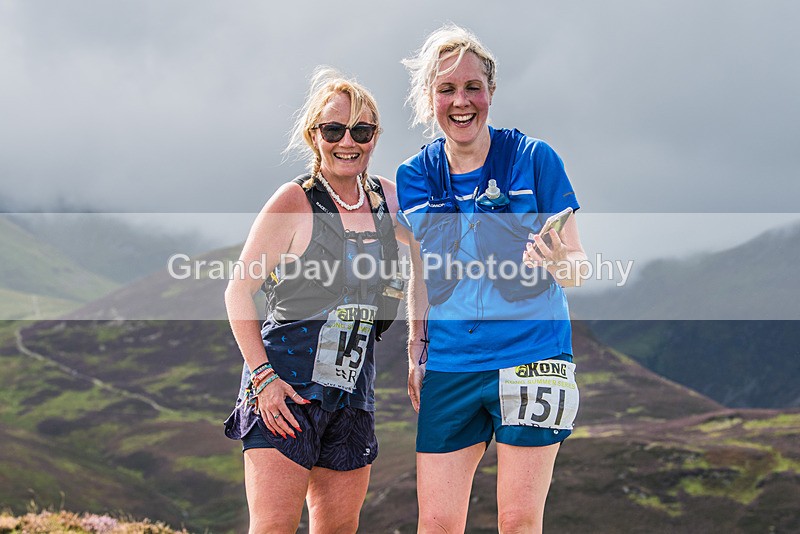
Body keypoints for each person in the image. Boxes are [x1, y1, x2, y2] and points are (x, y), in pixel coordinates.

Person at [397, 24, 588, 533]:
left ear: (491, 92)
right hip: (452, 364)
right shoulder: (414, 175)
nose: (461, 101)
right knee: (436, 524)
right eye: (446, 89)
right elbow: (422, 267)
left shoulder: (535, 159)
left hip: (533, 357)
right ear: (429, 98)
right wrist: (417, 346)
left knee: (519, 521)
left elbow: (577, 267)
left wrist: (557, 262)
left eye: (472, 87)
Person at [223, 68, 406, 534]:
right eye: (334, 129)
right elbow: (237, 291)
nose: (348, 141)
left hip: (353, 394)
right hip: (283, 392)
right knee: (273, 529)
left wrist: (419, 347)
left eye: (361, 130)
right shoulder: (293, 201)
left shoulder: (388, 198)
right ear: (314, 135)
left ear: (375, 136)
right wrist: (264, 380)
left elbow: (435, 246)